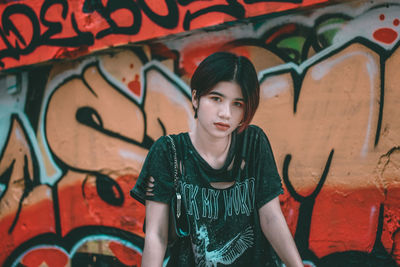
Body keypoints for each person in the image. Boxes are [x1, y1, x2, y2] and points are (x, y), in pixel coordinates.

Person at [130, 52, 303, 267]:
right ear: (196, 98)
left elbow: (271, 218)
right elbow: (157, 234)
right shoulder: (168, 152)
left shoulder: (253, 143)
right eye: (216, 99)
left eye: (237, 104)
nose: (225, 113)